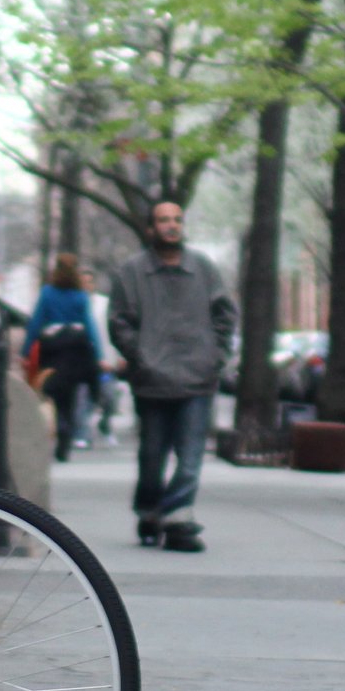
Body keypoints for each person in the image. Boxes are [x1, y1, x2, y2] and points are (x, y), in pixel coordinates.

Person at [106, 201, 236, 553]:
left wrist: (215, 356)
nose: (172, 226)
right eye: (164, 220)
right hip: (152, 380)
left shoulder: (204, 269)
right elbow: (118, 322)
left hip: (197, 377)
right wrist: (141, 355)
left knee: (191, 455)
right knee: (152, 455)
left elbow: (225, 315)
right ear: (151, 228)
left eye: (177, 219)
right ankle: (149, 510)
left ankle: (178, 517)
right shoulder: (131, 272)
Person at [26, 253, 103, 462]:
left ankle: (56, 428)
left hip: (52, 350)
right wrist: (97, 354)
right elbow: (89, 325)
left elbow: (36, 322)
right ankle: (65, 438)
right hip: (75, 352)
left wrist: (27, 349)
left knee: (51, 392)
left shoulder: (48, 293)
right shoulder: (80, 296)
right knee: (69, 398)